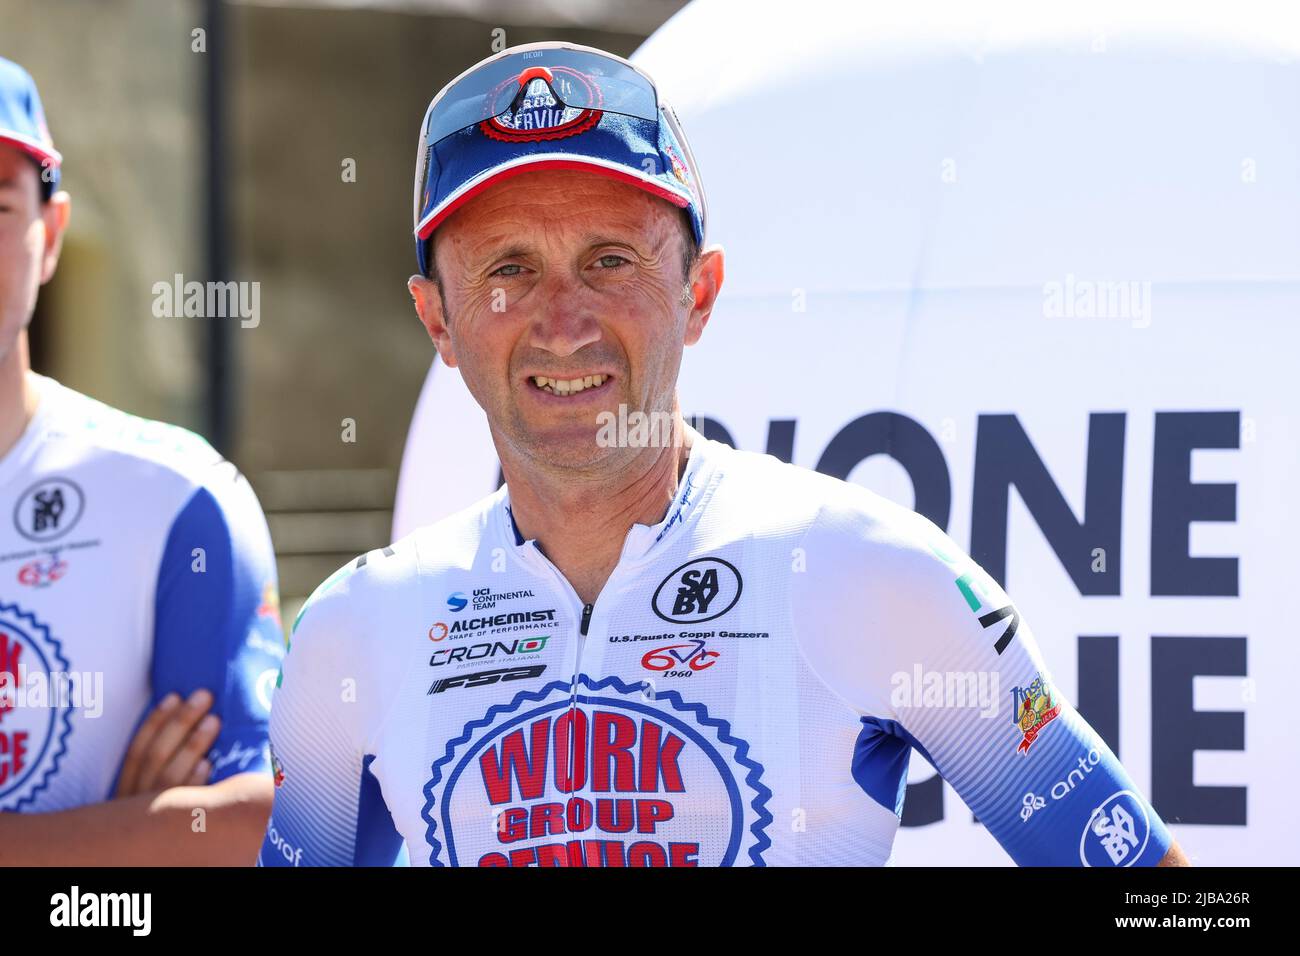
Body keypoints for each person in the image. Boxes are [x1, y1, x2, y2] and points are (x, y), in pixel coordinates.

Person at [262, 41, 1189, 867]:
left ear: (698, 293)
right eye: (508, 269)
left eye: (610, 260)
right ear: (439, 320)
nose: (562, 322)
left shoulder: (867, 568)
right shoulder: (359, 628)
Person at [0, 55, 282, 864]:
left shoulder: (174, 498)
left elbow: (261, 824)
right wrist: (119, 839)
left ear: (50, 235)